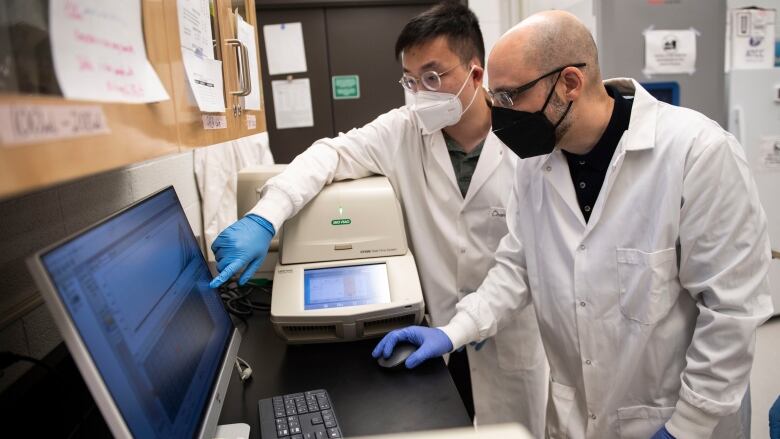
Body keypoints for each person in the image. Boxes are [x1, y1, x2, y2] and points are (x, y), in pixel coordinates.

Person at [374, 10, 774, 439]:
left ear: (569, 83)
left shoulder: (697, 154)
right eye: (496, 97)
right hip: (577, 419)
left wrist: (687, 425)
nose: (499, 114)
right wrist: (452, 332)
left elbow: (731, 312)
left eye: (510, 98)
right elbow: (515, 268)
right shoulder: (534, 166)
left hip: (678, 417)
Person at [208, 2, 547, 435]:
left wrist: (463, 327)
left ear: (476, 74)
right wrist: (265, 218)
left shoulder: (528, 143)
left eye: (432, 77)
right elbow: (329, 154)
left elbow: (520, 266)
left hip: (509, 340)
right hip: (435, 338)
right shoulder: (403, 131)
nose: (420, 92)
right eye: (410, 80)